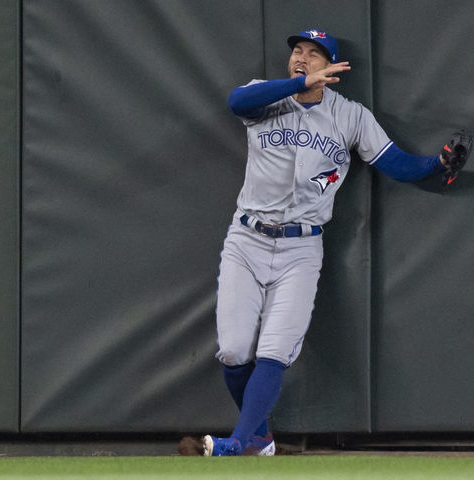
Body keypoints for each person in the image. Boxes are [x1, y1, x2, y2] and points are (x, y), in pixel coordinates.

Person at [178, 28, 447, 457]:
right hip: (247, 238)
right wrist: (299, 85)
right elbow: (235, 103)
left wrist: (438, 164)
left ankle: (238, 443)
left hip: (300, 250)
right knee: (232, 350)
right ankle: (261, 436)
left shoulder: (350, 116)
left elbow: (395, 161)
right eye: (297, 51)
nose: (302, 58)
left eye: (314, 54)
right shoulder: (264, 96)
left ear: (333, 67)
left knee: (274, 351)